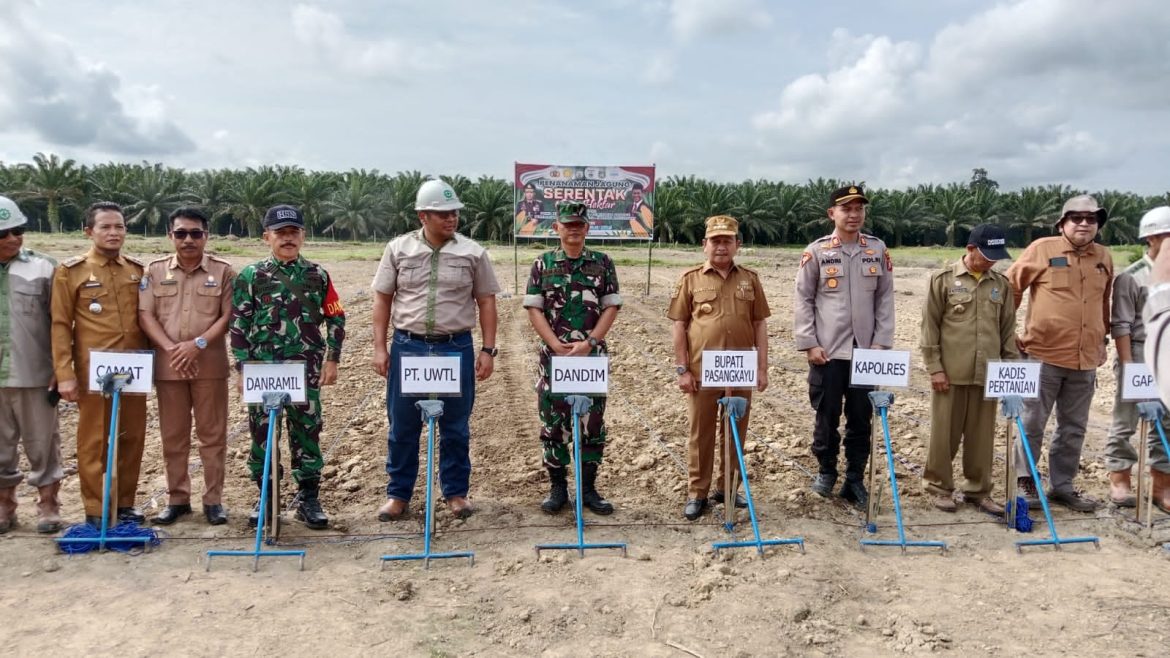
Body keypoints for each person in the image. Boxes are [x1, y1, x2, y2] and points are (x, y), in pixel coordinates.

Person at [371, 179, 500, 521]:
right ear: (423, 216)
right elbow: (383, 298)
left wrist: (488, 349)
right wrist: (379, 348)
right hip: (408, 347)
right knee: (403, 425)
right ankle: (398, 495)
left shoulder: (473, 253)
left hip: (455, 348)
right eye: (443, 213)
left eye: (454, 212)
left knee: (455, 427)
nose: (451, 218)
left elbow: (486, 301)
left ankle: (456, 493)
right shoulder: (398, 249)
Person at [229, 205, 345, 530]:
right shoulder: (251, 277)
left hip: (305, 372)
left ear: (303, 236)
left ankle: (308, 499)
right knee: (263, 435)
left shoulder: (318, 276)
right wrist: (240, 369)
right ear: (267, 237)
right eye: (280, 233)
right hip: (263, 373)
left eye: (293, 233)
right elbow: (238, 324)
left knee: (307, 432)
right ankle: (265, 497)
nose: (288, 239)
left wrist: (332, 359)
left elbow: (336, 318)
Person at [1006, 194, 1113, 512]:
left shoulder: (1104, 257)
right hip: (1043, 354)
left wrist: (1102, 340)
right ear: (1062, 223)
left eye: (1091, 219)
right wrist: (1006, 332)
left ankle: (1062, 486)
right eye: (1076, 218)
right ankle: (1024, 481)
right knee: (1033, 422)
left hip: (1085, 359)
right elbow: (1011, 286)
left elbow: (1103, 301)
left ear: (1097, 225)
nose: (1084, 223)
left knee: (1074, 427)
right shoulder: (1042, 249)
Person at [793, 185, 894, 508]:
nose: (853, 215)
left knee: (861, 416)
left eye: (859, 209)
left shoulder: (876, 250)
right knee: (826, 414)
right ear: (832, 214)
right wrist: (809, 343)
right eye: (846, 209)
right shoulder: (818, 252)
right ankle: (826, 470)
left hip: (866, 351)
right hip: (828, 350)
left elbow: (885, 299)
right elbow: (804, 299)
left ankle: (854, 477)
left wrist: (881, 341)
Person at [50, 202, 148, 526]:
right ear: (88, 231)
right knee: (94, 440)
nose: (113, 232)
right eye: (105, 227)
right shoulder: (71, 271)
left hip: (133, 368)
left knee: (131, 437)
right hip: (95, 371)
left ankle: (124, 504)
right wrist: (65, 375)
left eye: (119, 226)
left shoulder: (136, 270)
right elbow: (61, 325)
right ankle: (96, 508)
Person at [667, 215, 770, 520]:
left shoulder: (750, 279)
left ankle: (727, 489)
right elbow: (679, 326)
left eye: (727, 240)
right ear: (704, 245)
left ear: (737, 244)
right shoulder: (690, 279)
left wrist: (761, 368)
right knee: (700, 433)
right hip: (702, 371)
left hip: (739, 369)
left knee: (735, 429)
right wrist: (682, 370)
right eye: (715, 241)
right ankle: (697, 492)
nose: (721, 247)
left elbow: (759, 324)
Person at [523, 202, 621, 515]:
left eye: (579, 224)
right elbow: (534, 308)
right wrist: (554, 343)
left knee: (592, 422)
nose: (574, 229)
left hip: (590, 358)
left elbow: (610, 307)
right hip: (554, 359)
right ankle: (558, 488)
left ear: (587, 228)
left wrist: (591, 342)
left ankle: (588, 489)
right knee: (553, 422)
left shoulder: (602, 263)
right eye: (568, 224)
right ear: (557, 229)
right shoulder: (543, 263)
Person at [139, 207, 235, 525]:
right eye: (181, 233)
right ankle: (178, 499)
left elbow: (227, 316)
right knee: (173, 436)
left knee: (212, 436)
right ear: (171, 236)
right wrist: (171, 349)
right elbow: (146, 315)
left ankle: (213, 500)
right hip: (169, 368)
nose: (188, 239)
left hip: (209, 366)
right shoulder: (153, 272)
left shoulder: (223, 271)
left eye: (196, 233)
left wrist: (198, 345)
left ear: (206, 236)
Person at [920, 224, 1018, 514]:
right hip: (950, 373)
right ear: (970, 249)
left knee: (982, 438)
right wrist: (934, 368)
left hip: (987, 373)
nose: (991, 261)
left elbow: (1008, 331)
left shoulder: (1000, 283)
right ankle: (940, 487)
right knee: (943, 435)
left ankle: (978, 490)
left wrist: (1010, 373)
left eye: (996, 257)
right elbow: (930, 328)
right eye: (986, 255)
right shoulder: (943, 280)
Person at [0, 195, 64, 534]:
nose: (12, 239)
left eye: (18, 230)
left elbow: (61, 321)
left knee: (43, 444)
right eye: (3, 233)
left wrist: (61, 367)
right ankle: (5, 507)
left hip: (35, 375)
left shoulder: (44, 267)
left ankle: (48, 505)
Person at [1106, 207, 1170, 510]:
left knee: (1167, 424)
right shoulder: (1131, 278)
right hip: (1139, 355)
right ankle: (1120, 480)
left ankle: (1161, 486)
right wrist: (1129, 367)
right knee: (1126, 421)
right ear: (1153, 239)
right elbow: (1121, 325)